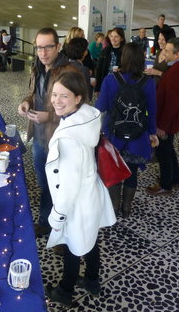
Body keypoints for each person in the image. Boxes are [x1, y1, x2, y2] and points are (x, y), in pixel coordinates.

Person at [44, 71, 116, 307]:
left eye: (64, 96)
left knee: (73, 244)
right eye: (54, 94)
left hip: (76, 201)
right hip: (91, 195)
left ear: (78, 98)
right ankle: (92, 280)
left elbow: (69, 184)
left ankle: (64, 291)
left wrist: (58, 214)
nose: (56, 101)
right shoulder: (87, 116)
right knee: (90, 238)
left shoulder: (69, 138)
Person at [95, 43, 158, 217]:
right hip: (138, 136)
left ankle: (113, 207)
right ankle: (127, 208)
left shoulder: (110, 79)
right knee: (132, 171)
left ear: (123, 58)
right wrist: (152, 133)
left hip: (114, 136)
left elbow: (101, 106)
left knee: (115, 172)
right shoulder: (148, 82)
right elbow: (152, 111)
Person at [18, 27, 69, 238]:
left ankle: (58, 231)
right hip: (39, 137)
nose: (43, 52)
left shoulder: (68, 72)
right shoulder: (38, 67)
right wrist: (26, 102)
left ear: (58, 46)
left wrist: (49, 116)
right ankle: (48, 222)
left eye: (48, 46)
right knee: (45, 183)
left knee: (58, 186)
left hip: (58, 139)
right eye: (39, 47)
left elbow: (76, 107)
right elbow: (33, 93)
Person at [147, 37, 179, 196]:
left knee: (163, 152)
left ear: (177, 54)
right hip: (171, 120)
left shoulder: (176, 71)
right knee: (169, 150)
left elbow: (171, 103)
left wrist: (162, 126)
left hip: (168, 121)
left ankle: (165, 186)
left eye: (167, 50)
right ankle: (174, 179)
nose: (163, 52)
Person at [95, 27, 125, 94]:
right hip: (106, 83)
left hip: (120, 84)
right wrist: (97, 88)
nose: (113, 39)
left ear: (122, 38)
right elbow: (99, 69)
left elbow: (130, 67)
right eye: (111, 36)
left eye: (116, 37)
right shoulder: (105, 51)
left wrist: (121, 69)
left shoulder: (126, 52)